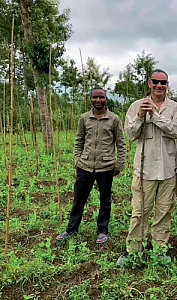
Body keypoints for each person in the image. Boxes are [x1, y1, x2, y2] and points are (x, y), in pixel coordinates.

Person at [117, 69, 177, 266]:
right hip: (144, 171)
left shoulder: (174, 108)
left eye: (164, 83)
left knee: (164, 211)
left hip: (169, 171)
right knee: (140, 211)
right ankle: (133, 251)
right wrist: (141, 116)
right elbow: (131, 135)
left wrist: (156, 116)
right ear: (149, 83)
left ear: (167, 86)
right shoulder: (136, 106)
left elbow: (175, 131)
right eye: (156, 82)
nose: (160, 86)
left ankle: (160, 250)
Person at [56, 88, 127, 244]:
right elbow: (79, 140)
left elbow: (121, 144)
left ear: (106, 99)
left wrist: (119, 164)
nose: (98, 100)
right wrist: (77, 159)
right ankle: (71, 229)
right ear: (91, 99)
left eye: (101, 97)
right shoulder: (84, 118)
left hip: (106, 167)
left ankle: (102, 231)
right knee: (79, 200)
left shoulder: (114, 119)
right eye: (95, 97)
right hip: (85, 166)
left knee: (105, 200)